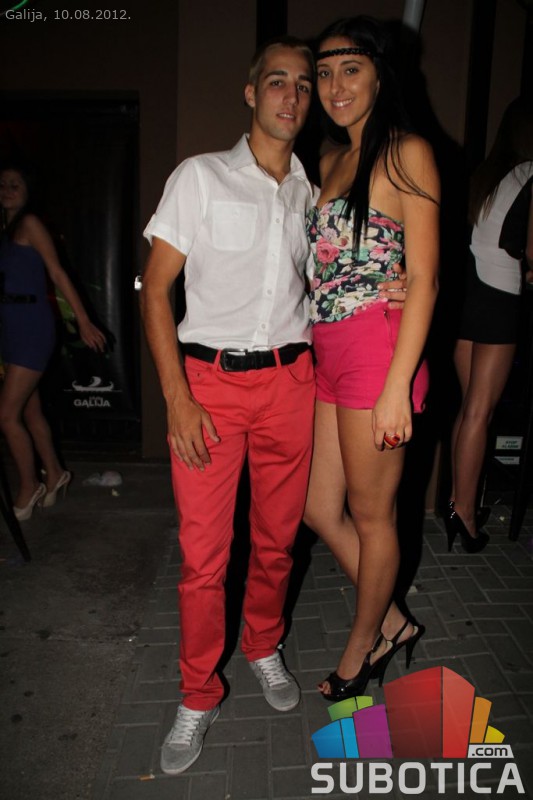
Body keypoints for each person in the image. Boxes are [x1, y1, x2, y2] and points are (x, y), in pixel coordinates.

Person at [141, 34, 409, 775]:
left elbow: (346, 267)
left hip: (293, 381)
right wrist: (177, 398)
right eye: (278, 81)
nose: (293, 95)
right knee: (204, 558)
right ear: (251, 92)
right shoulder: (200, 176)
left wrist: (401, 283)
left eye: (304, 84)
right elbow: (156, 290)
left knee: (276, 541)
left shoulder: (310, 189)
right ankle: (198, 691)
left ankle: (262, 644)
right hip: (210, 386)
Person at [302, 16, 440, 702]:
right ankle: (391, 621)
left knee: (371, 514)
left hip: (376, 349)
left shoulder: (406, 152)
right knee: (316, 507)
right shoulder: (330, 159)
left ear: (380, 75)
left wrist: (395, 388)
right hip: (327, 346)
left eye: (350, 68)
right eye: (324, 72)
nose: (335, 85)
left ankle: (363, 650)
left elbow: (427, 278)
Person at [446, 98, 533, 552]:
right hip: (499, 298)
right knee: (481, 412)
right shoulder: (531, 175)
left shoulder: (488, 175)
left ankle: (457, 504)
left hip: (468, 294)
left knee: (469, 410)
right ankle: (465, 516)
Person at [0, 163, 106, 520]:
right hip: (11, 325)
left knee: (6, 415)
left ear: (28, 191)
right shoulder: (6, 231)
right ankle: (56, 472)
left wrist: (84, 321)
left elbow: (58, 272)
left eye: (15, 184)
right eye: (3, 184)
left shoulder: (31, 224)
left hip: (32, 325)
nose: (7, 189)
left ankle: (29, 485)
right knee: (29, 410)